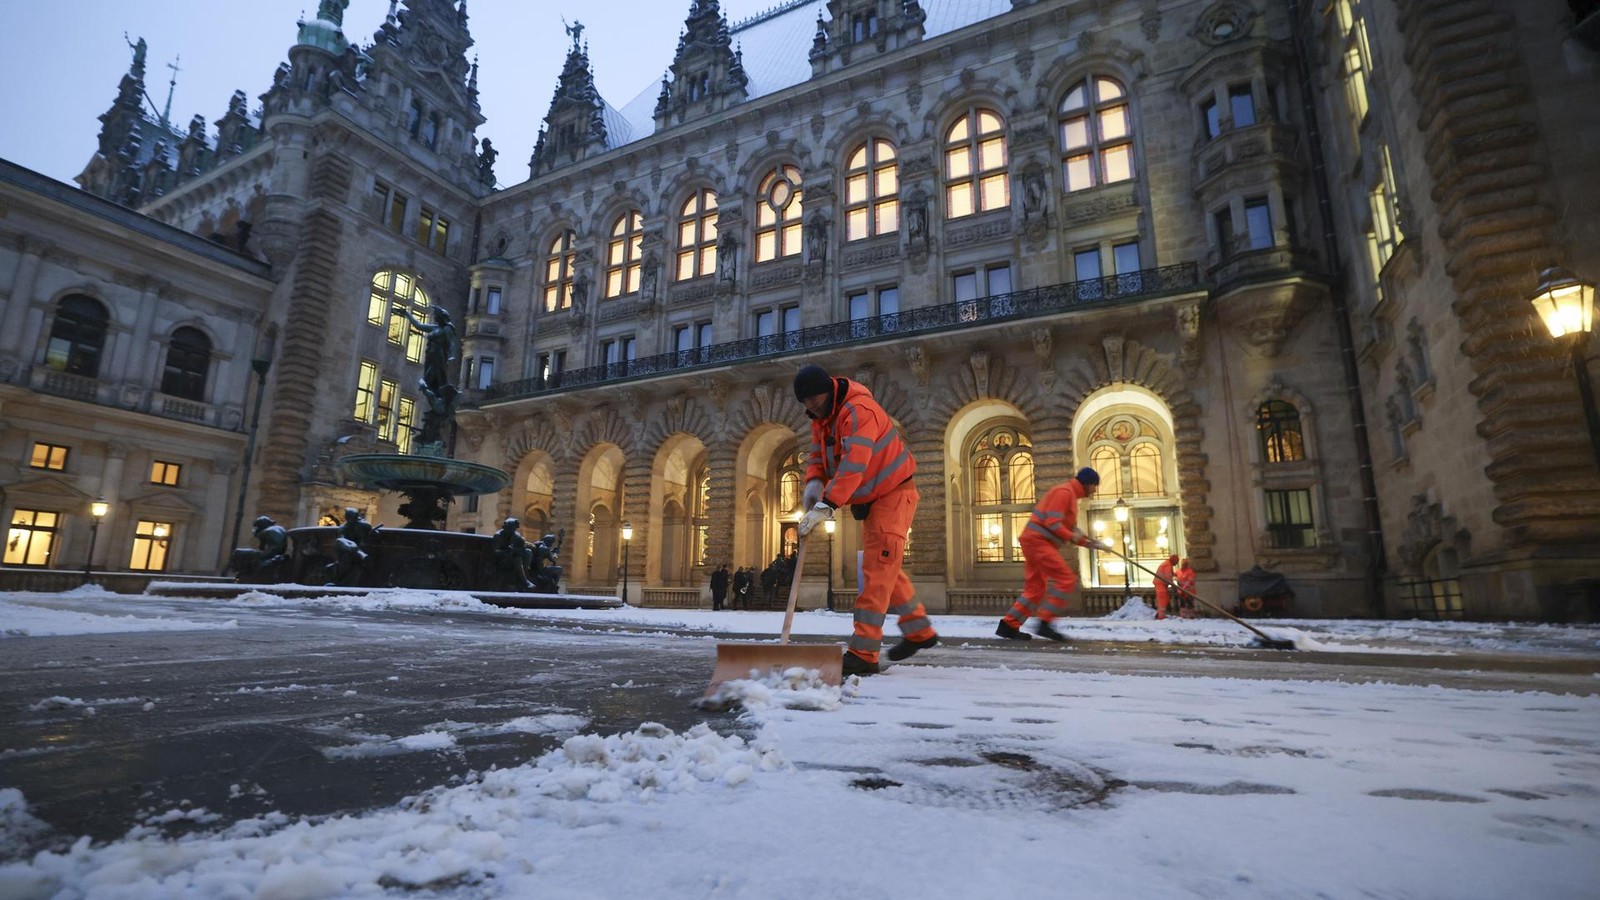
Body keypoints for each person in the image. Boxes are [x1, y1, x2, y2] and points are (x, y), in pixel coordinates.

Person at [794, 363, 936, 676]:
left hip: (894, 495)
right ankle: (919, 630)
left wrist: (828, 504)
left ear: (829, 392)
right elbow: (819, 457)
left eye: (815, 403)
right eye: (807, 405)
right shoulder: (823, 417)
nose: (812, 410)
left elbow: (854, 465)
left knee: (876, 571)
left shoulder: (860, 411)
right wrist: (813, 485)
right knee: (886, 569)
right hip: (875, 498)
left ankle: (863, 653)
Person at [996, 467, 1112, 643]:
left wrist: (1092, 543)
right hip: (1038, 542)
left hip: (1035, 542)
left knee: (1036, 589)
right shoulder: (1064, 492)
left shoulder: (1069, 495)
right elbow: (1053, 523)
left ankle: (1008, 626)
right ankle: (1045, 622)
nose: (1095, 490)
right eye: (1095, 486)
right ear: (1088, 484)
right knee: (1066, 579)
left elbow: (1070, 529)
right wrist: (1073, 536)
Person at [395, 305, 459, 394]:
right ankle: (432, 390)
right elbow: (418, 326)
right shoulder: (434, 328)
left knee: (435, 375)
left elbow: (451, 342)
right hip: (430, 355)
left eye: (436, 315)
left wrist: (452, 356)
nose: (434, 316)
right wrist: (406, 313)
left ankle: (437, 392)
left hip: (439, 356)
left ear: (441, 317)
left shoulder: (447, 328)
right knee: (430, 375)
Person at [324, 507, 376, 586]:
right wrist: (352, 547)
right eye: (352, 517)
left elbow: (372, 533)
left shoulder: (363, 525)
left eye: (355, 517)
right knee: (342, 546)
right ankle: (355, 551)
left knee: (347, 556)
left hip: (361, 550)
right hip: (350, 551)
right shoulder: (343, 528)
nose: (354, 519)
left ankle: (356, 551)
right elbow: (341, 540)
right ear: (348, 518)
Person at [231, 515, 289, 583]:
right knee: (247, 554)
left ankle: (239, 571)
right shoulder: (279, 528)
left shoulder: (265, 531)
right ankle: (241, 572)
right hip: (277, 553)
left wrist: (260, 557)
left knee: (239, 553)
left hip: (272, 553)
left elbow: (263, 548)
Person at [490, 517, 535, 590]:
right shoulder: (498, 536)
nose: (511, 531)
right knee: (517, 558)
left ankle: (525, 574)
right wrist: (506, 551)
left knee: (528, 552)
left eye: (513, 529)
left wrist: (516, 550)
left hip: (513, 557)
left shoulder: (516, 535)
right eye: (509, 529)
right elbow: (495, 552)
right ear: (505, 528)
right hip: (501, 560)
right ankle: (524, 581)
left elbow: (522, 548)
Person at [1153, 554, 1180, 620]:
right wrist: (1173, 585)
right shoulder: (1168, 565)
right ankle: (1161, 616)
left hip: (1160, 584)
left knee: (1166, 598)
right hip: (1160, 584)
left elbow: (1170, 574)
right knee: (1162, 599)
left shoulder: (1167, 564)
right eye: (1176, 562)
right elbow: (1168, 576)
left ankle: (1159, 613)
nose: (1176, 564)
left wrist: (1177, 574)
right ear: (1174, 560)